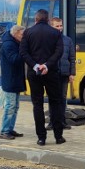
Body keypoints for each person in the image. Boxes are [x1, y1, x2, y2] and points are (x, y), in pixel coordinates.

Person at [19, 9, 66, 146]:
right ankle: (58, 136)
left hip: (34, 74)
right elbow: (59, 52)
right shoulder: (55, 33)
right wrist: (47, 65)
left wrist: (35, 66)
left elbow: (23, 52)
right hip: (51, 73)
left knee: (37, 105)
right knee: (55, 103)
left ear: (36, 19)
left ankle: (41, 138)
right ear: (47, 19)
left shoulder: (27, 32)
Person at [0, 25, 26, 140]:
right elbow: (14, 59)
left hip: (15, 80)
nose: (23, 36)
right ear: (15, 33)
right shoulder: (9, 44)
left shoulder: (14, 43)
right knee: (10, 107)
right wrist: (24, 52)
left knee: (15, 107)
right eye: (21, 34)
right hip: (10, 80)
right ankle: (4, 131)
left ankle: (9, 129)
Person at [49, 17, 74, 130]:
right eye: (57, 26)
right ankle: (51, 121)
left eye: (61, 26)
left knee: (62, 98)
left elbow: (72, 58)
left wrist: (72, 73)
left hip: (64, 72)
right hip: (52, 73)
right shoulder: (47, 40)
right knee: (53, 98)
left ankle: (62, 121)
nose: (59, 28)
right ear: (51, 26)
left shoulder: (68, 40)